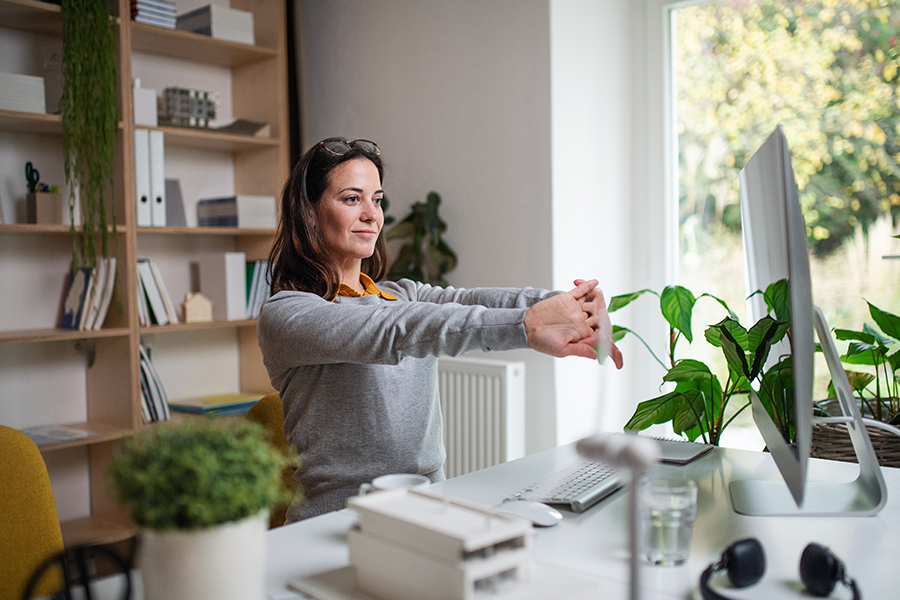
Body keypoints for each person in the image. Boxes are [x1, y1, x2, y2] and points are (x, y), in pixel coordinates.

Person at [257, 137, 623, 523]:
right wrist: (527, 326)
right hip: (338, 520)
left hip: (430, 506)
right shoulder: (288, 314)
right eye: (352, 199)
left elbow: (468, 300)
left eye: (377, 200)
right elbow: (394, 331)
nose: (372, 216)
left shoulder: (402, 294)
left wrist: (569, 302)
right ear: (310, 213)